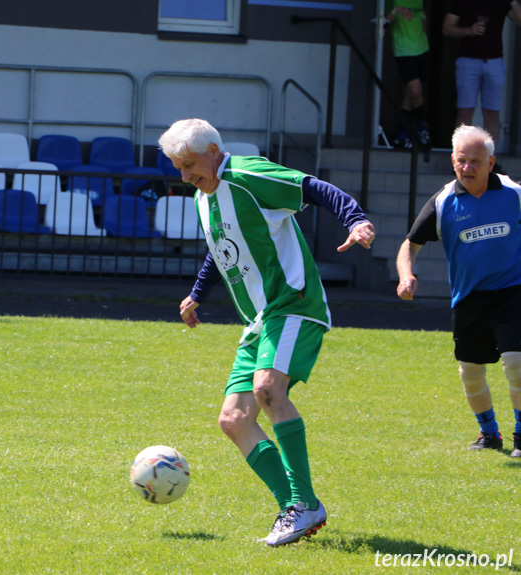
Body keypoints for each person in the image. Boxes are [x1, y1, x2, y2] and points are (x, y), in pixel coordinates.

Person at [158, 119, 376, 547]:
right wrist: (198, 293)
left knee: (268, 390)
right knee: (234, 420)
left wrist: (356, 220)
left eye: (190, 165)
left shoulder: (249, 174)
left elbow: (316, 188)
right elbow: (223, 249)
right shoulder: (206, 196)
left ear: (214, 152)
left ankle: (305, 504)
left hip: (293, 304)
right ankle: (294, 509)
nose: (184, 176)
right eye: (178, 168)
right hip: (259, 319)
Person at [396, 124, 521, 458]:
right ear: (452, 160)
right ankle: (489, 433)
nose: (468, 168)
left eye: (476, 161)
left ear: (491, 163)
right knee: (471, 370)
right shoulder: (443, 201)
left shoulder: (514, 193)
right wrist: (406, 275)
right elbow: (409, 245)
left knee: (516, 361)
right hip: (469, 298)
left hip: (513, 292)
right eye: (462, 160)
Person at [443, 0, 521, 148]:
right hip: (468, 61)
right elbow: (447, 28)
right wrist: (469, 30)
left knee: (492, 113)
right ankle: (462, 160)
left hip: (494, 62)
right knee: (465, 112)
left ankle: (488, 161)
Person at [385, 0, 431, 149]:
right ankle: (421, 128)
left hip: (421, 48)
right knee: (415, 91)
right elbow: (383, 22)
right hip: (403, 49)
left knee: (410, 95)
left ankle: (401, 136)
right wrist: (396, 10)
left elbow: (423, 18)